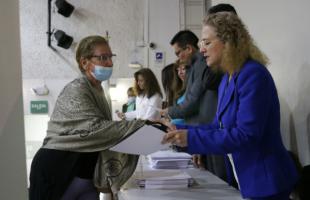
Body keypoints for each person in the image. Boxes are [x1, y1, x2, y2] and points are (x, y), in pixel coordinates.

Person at [162, 12, 299, 200]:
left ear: (228, 41)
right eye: (202, 43)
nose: (201, 50)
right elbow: (219, 126)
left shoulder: (253, 75)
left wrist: (191, 139)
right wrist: (180, 129)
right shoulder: (227, 77)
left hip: (266, 181)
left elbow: (246, 135)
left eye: (207, 43)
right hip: (246, 179)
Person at [29, 35, 146, 200]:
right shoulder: (76, 89)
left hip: (85, 177)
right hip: (58, 171)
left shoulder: (98, 91)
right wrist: (143, 126)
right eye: (103, 58)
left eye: (110, 57)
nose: (110, 63)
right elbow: (95, 129)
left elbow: (103, 135)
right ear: (84, 62)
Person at [161, 29, 226, 180]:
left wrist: (168, 112)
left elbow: (192, 102)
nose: (203, 49)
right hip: (205, 130)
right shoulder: (196, 65)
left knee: (220, 182)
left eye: (207, 43)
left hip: (209, 131)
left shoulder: (202, 63)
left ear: (189, 49)